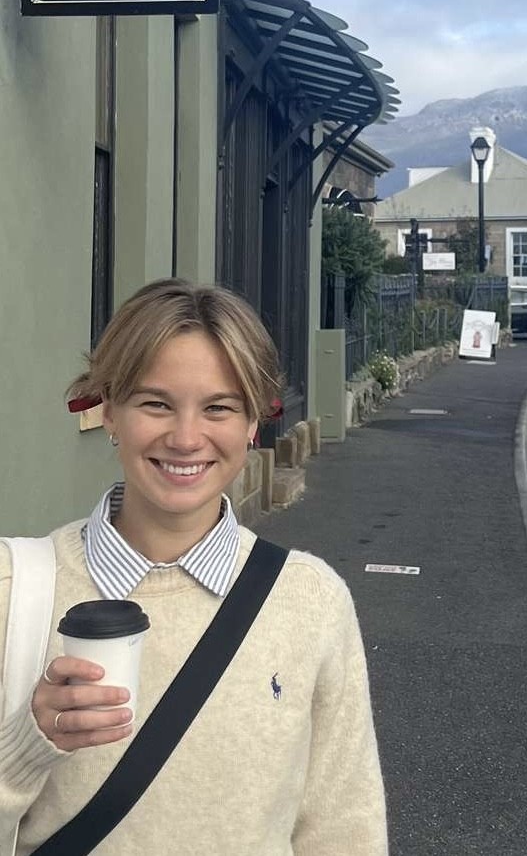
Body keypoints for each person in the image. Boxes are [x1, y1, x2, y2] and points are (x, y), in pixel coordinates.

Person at [0, 279, 386, 854]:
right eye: (156, 403)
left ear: (253, 423)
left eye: (219, 408)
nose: (185, 438)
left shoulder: (311, 601)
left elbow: (343, 827)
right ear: (109, 412)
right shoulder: (15, 590)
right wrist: (27, 748)